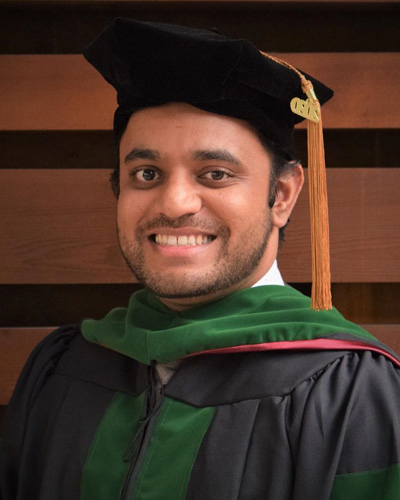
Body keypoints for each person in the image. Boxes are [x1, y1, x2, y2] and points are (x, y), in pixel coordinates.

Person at [1, 18, 400, 500]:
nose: (174, 204)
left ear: (283, 195)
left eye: (215, 173)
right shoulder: (63, 366)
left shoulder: (350, 392)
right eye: (147, 173)